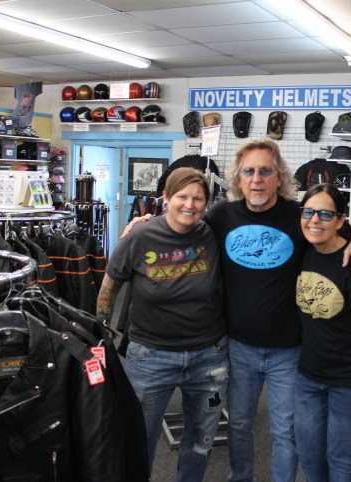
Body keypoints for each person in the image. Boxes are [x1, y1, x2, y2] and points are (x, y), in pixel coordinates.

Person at [123, 137, 351, 482]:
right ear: (238, 179)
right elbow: (182, 221)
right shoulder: (221, 215)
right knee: (239, 424)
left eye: (265, 171)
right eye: (249, 172)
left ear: (279, 177)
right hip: (238, 346)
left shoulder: (298, 216)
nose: (257, 179)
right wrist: (146, 224)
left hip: (289, 348)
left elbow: (333, 230)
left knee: (285, 431)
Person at [97, 167, 228, 482]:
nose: (190, 204)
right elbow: (109, 287)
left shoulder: (212, 232)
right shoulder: (140, 236)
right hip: (150, 356)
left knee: (200, 443)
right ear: (166, 197)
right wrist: (100, 338)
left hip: (208, 356)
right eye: (182, 196)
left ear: (206, 203)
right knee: (138, 440)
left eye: (198, 198)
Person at [294, 183, 351, 482]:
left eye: (325, 214)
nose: (315, 220)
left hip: (349, 382)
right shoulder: (303, 250)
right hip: (308, 377)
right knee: (309, 455)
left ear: (340, 220)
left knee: (342, 458)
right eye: (308, 212)